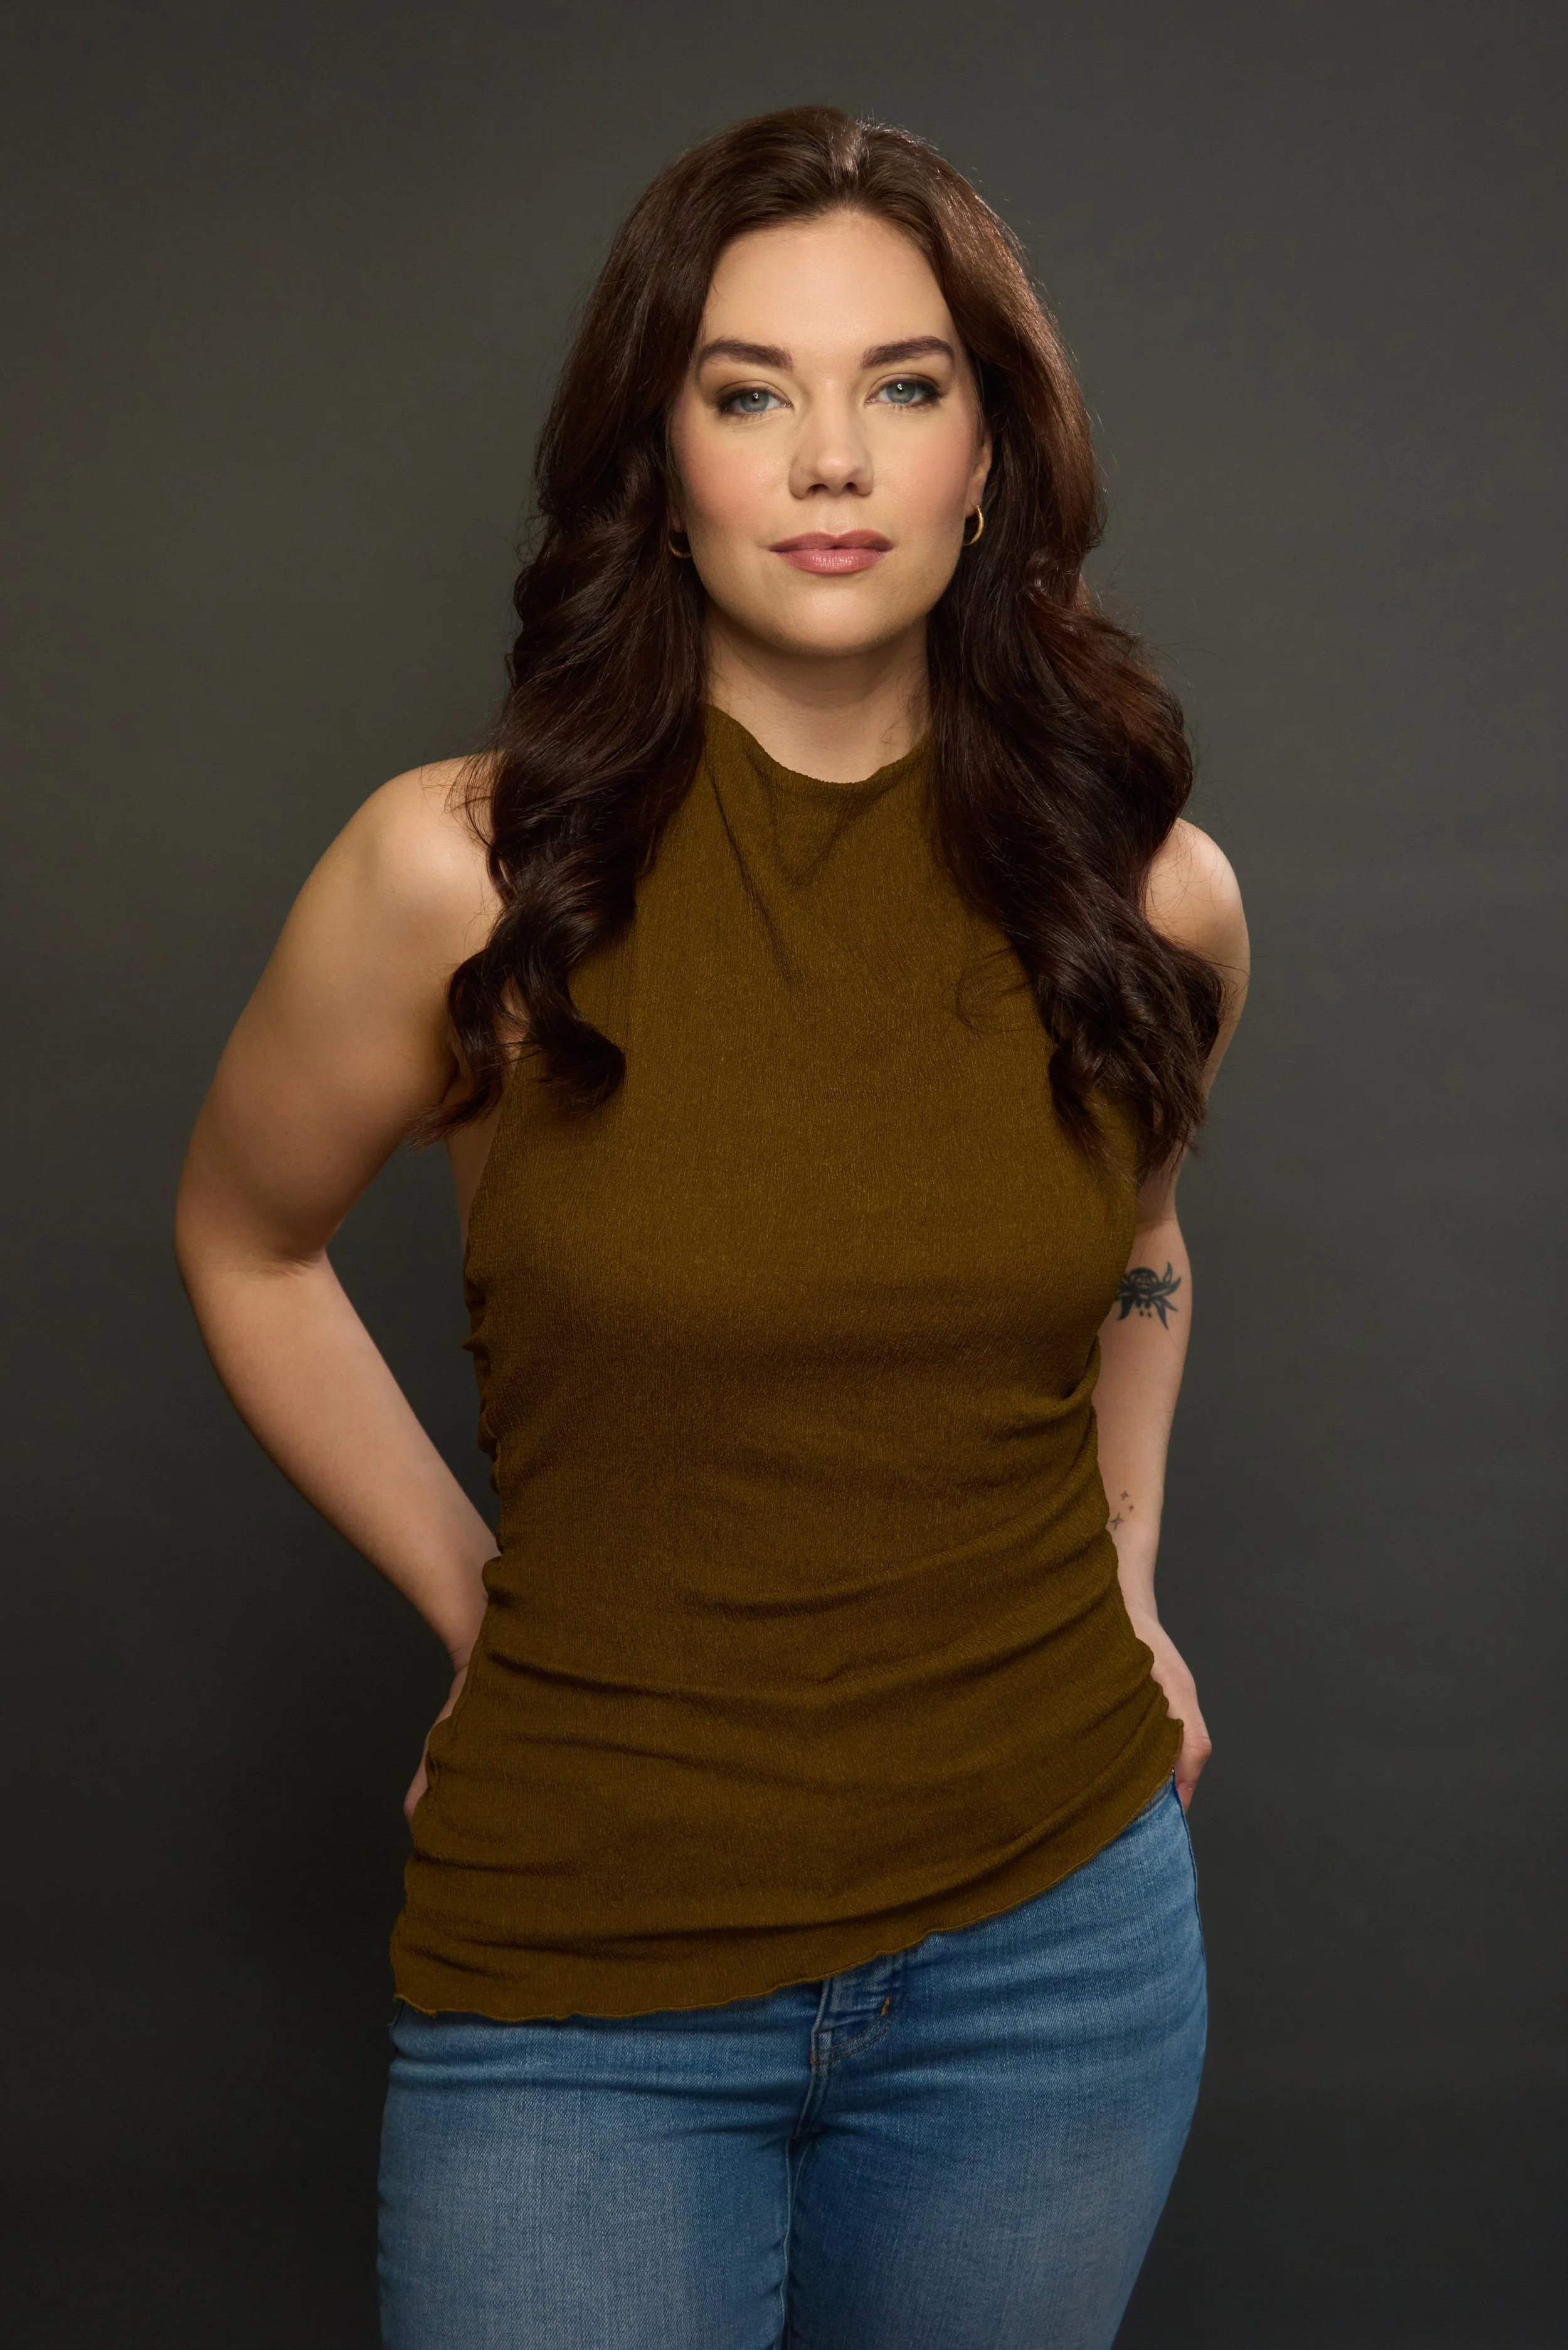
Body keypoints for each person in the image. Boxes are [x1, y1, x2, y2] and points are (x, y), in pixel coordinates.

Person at [175, 104, 1249, 2350]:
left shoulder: (1143, 892)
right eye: (750, 390)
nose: (830, 458)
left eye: (904, 385)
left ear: (991, 452)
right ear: (657, 461)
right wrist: (484, 1607)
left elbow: (1137, 1244)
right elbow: (246, 1242)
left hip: (1055, 1958)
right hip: (587, 1965)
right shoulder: (455, 876)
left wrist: (1127, 1578)